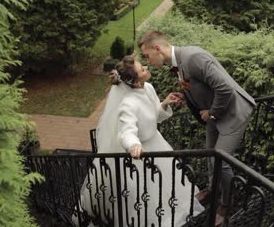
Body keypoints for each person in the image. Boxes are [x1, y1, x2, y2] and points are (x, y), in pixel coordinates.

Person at [138, 30, 256, 226]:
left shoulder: (193, 58)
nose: (147, 61)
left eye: (146, 55)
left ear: (157, 48)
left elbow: (225, 88)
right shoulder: (178, 63)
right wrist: (186, 97)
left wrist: (210, 113)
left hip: (234, 113)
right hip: (215, 115)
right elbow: (203, 86)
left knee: (222, 162)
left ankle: (226, 206)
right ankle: (212, 190)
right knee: (211, 155)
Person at [75, 56, 204, 227]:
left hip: (157, 144)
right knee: (148, 193)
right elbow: (127, 131)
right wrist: (133, 144)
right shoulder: (127, 105)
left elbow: (152, 116)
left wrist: (164, 104)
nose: (145, 67)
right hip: (141, 154)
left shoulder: (148, 87)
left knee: (168, 186)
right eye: (142, 69)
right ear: (135, 82)